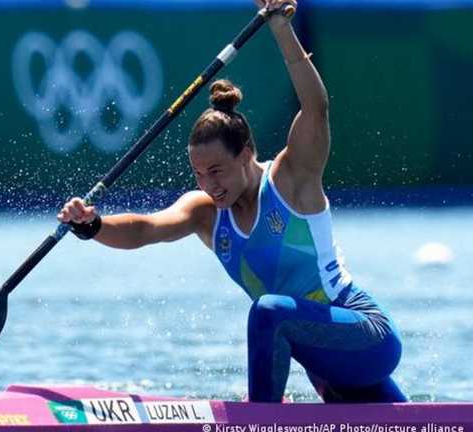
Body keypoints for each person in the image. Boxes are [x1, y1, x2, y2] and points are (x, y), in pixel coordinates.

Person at [57, 0, 407, 403]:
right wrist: (92, 226)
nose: (209, 185)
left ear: (246, 154)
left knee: (269, 312)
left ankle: (260, 418)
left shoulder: (291, 179)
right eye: (199, 174)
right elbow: (144, 229)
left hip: (365, 337)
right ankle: (268, 413)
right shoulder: (206, 213)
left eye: (217, 171)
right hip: (322, 364)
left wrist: (280, 27)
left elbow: (316, 107)